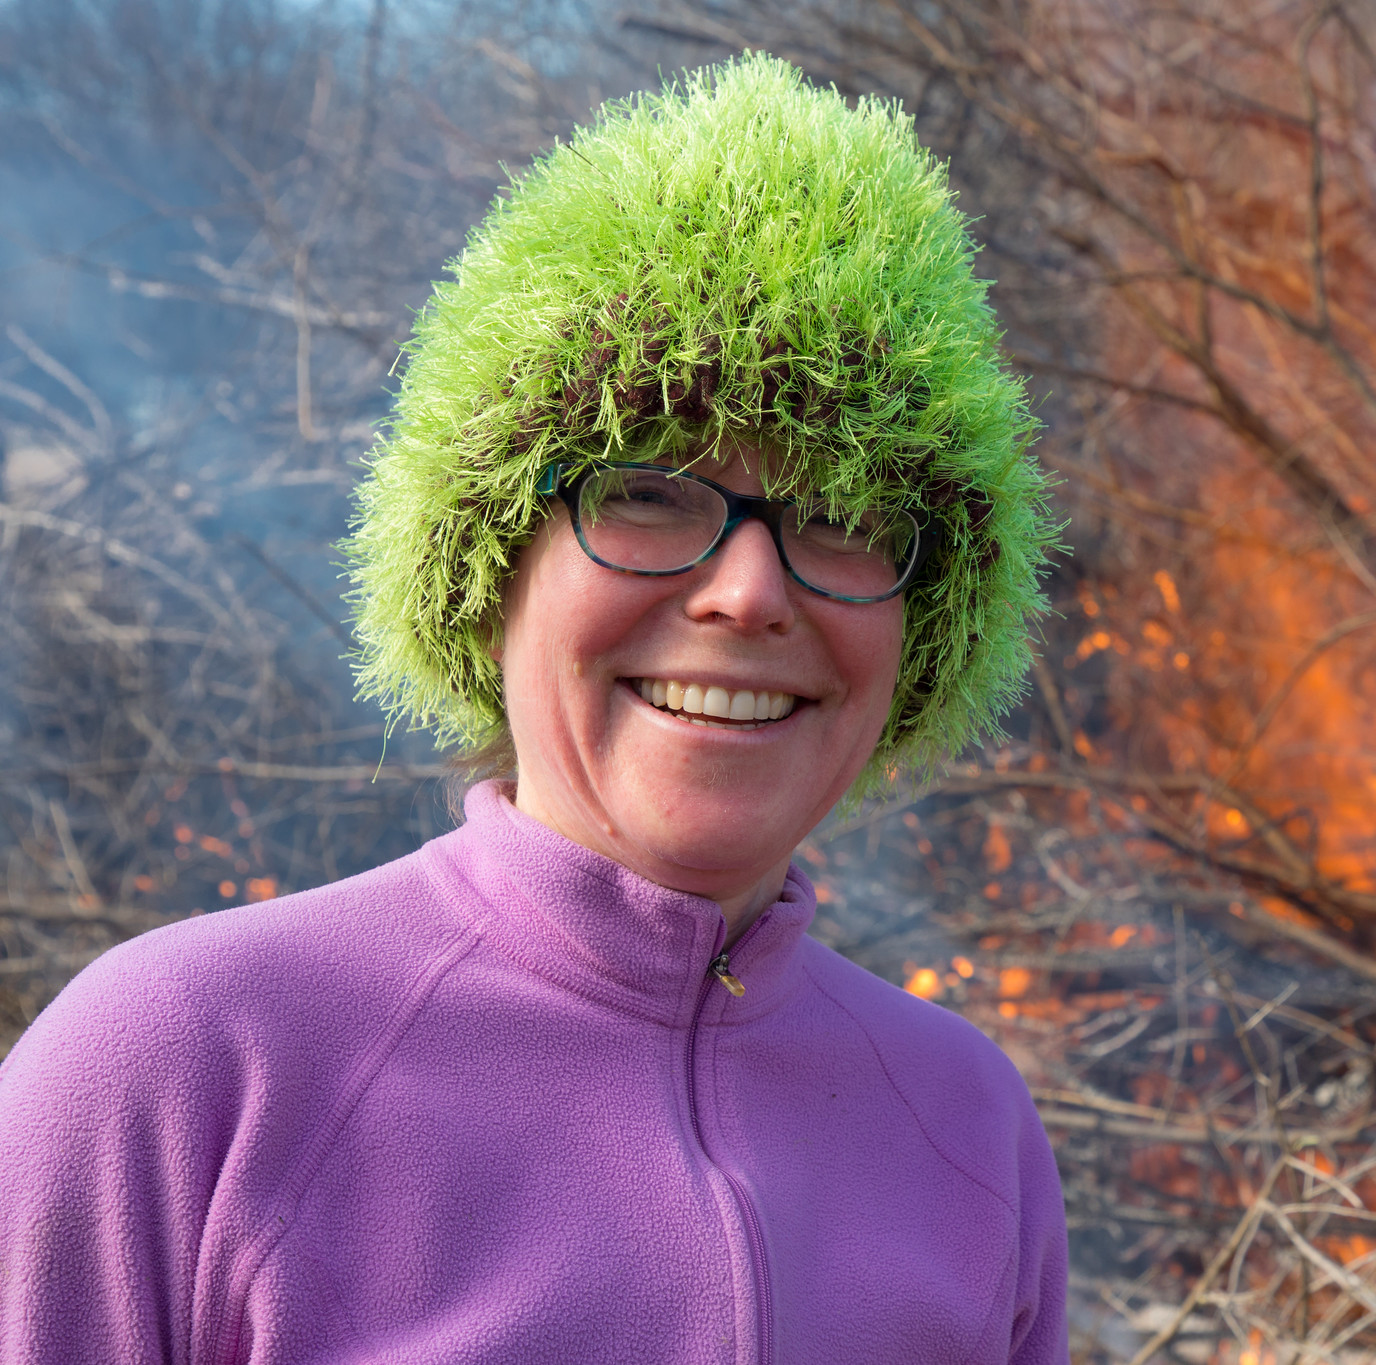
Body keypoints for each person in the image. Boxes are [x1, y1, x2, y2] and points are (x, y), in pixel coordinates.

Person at [0, 55, 1066, 1363]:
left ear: (924, 626)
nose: (747, 589)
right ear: (487, 568)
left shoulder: (969, 1133)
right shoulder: (182, 1074)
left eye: (843, 516)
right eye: (649, 488)